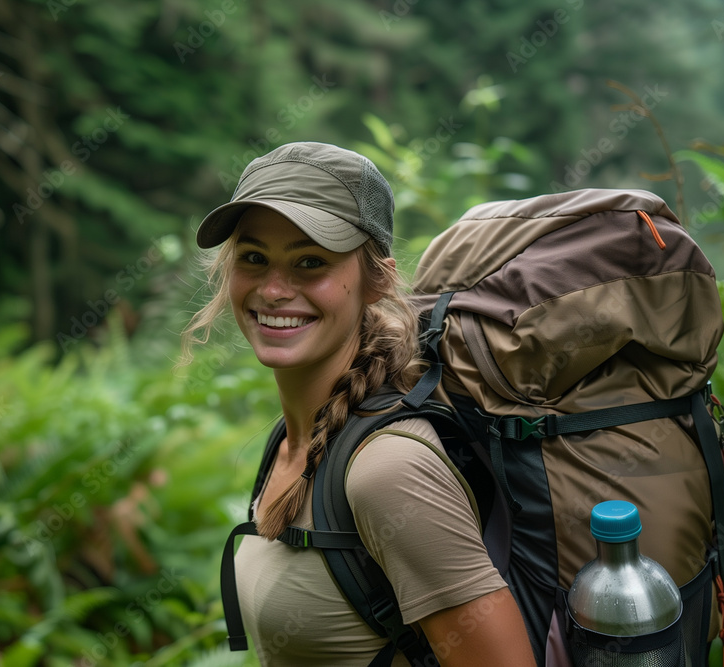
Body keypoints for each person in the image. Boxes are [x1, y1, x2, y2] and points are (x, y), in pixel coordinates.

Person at [182, 141, 533, 666]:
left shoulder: (388, 471)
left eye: (310, 262)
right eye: (254, 258)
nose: (273, 290)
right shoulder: (294, 439)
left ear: (378, 280)